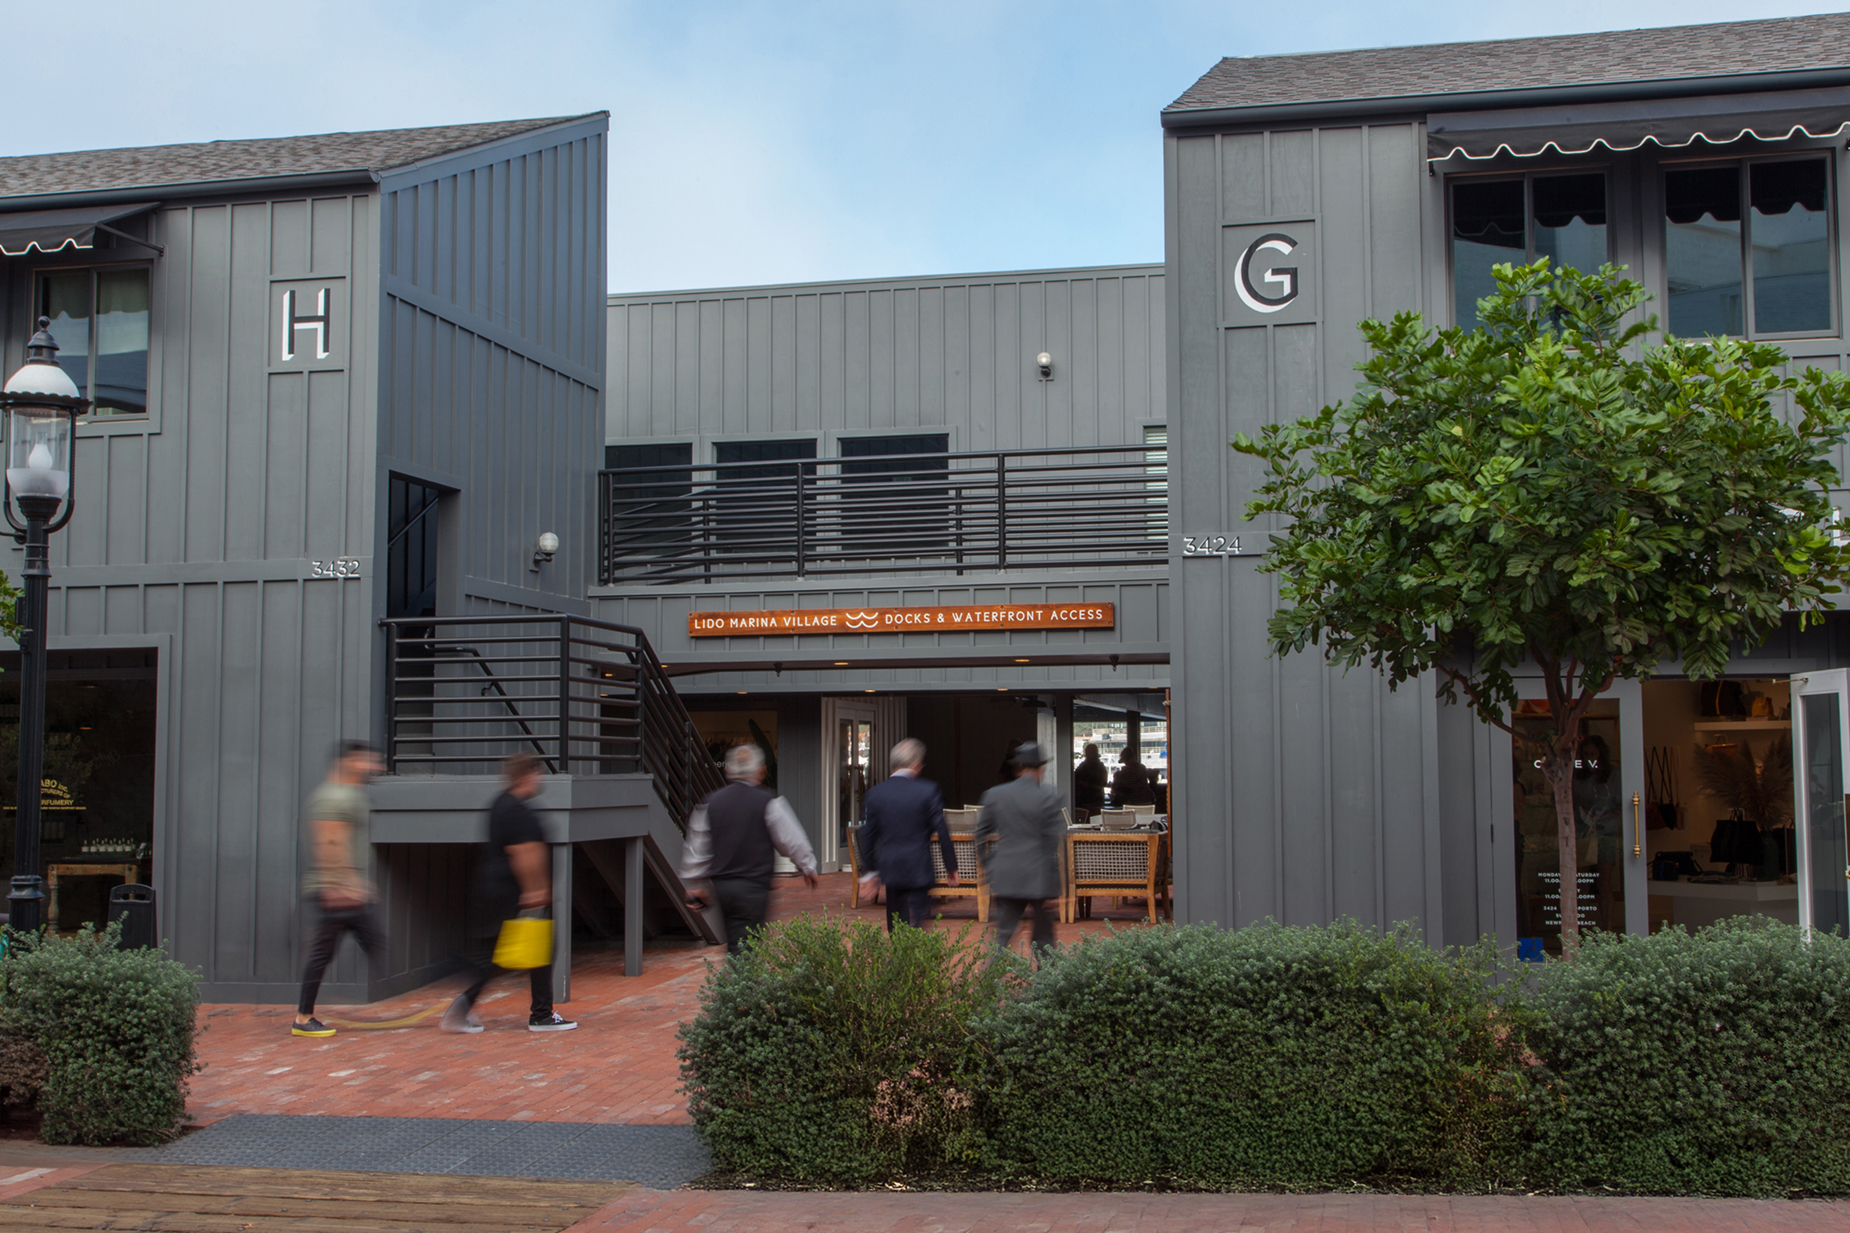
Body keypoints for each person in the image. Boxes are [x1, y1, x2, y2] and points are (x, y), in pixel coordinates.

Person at [441, 752, 576, 1034]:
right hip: (514, 896)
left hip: (499, 893)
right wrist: (536, 891)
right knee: (538, 952)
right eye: (537, 774)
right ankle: (540, 1015)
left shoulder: (501, 804)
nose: (540, 779)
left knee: (501, 958)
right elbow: (524, 853)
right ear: (527, 775)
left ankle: (466, 1008)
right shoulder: (516, 810)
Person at [681, 745, 820, 954]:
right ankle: (740, 985)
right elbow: (790, 838)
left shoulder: (711, 802)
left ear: (729, 771)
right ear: (759, 771)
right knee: (747, 947)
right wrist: (807, 866)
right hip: (754, 886)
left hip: (723, 887)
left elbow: (697, 844)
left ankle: (736, 982)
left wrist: (694, 882)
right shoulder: (767, 801)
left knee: (735, 941)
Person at [292, 740, 387, 1038]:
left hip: (345, 888)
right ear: (349, 761)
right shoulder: (333, 796)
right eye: (369, 761)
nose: (377, 766)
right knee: (326, 952)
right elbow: (329, 841)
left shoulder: (349, 793)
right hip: (336, 890)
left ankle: (304, 1015)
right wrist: (341, 884)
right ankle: (303, 1018)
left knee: (369, 943)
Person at [976, 742, 1065, 958]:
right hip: (1039, 877)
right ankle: (1047, 988)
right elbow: (1052, 842)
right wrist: (1056, 885)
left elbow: (979, 834)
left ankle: (988, 986)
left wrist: (989, 865)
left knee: (1002, 937)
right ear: (1040, 768)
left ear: (1018, 767)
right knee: (1044, 940)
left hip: (1005, 873)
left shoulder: (994, 795)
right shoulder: (1049, 797)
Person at [859, 738, 958, 931]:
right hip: (919, 866)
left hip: (891, 867)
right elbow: (942, 830)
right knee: (919, 923)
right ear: (917, 765)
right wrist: (951, 867)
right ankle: (916, 955)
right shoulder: (928, 790)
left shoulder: (875, 794)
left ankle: (897, 957)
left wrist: (868, 873)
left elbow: (868, 836)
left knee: (896, 924)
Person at [1073, 743, 1109, 818]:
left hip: (1089, 800)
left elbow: (1102, 783)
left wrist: (1086, 784)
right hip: (1095, 800)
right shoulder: (1099, 766)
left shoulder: (1085, 766)